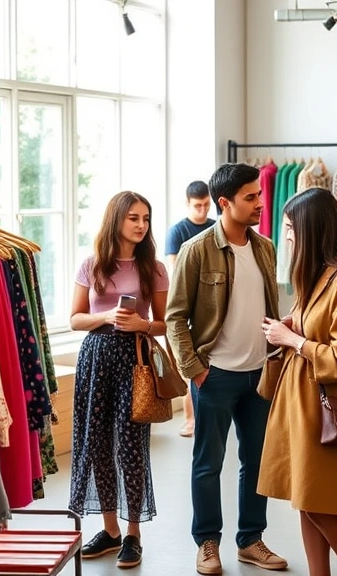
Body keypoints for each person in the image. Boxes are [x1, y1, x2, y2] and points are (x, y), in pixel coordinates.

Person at [165, 163, 288, 575]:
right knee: (207, 463)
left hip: (259, 374)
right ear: (225, 203)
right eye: (251, 197)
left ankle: (251, 540)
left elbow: (270, 309)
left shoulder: (265, 248)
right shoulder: (197, 250)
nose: (260, 203)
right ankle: (207, 543)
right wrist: (195, 370)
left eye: (259, 194)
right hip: (214, 375)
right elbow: (175, 316)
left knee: (257, 462)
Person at [259, 187, 337, 576]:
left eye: (290, 227)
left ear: (311, 228)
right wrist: (295, 324)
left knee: (319, 503)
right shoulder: (319, 273)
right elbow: (319, 329)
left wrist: (293, 339)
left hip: (325, 402)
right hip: (302, 398)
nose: (286, 235)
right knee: (305, 499)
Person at [68, 190, 168, 569]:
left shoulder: (154, 268)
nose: (142, 225)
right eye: (134, 218)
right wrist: (107, 317)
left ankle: (133, 534)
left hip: (134, 361)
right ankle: (110, 530)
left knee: (130, 446)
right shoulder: (91, 264)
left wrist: (142, 324)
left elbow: (164, 324)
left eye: (146, 218)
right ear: (116, 220)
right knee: (96, 446)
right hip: (95, 358)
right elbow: (75, 319)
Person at [165, 180, 215, 437]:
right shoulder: (177, 231)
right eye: (198, 206)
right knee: (189, 366)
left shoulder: (214, 227)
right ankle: (189, 419)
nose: (203, 210)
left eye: (207, 204)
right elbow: (175, 273)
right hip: (187, 305)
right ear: (187, 203)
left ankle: (202, 418)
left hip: (209, 306)